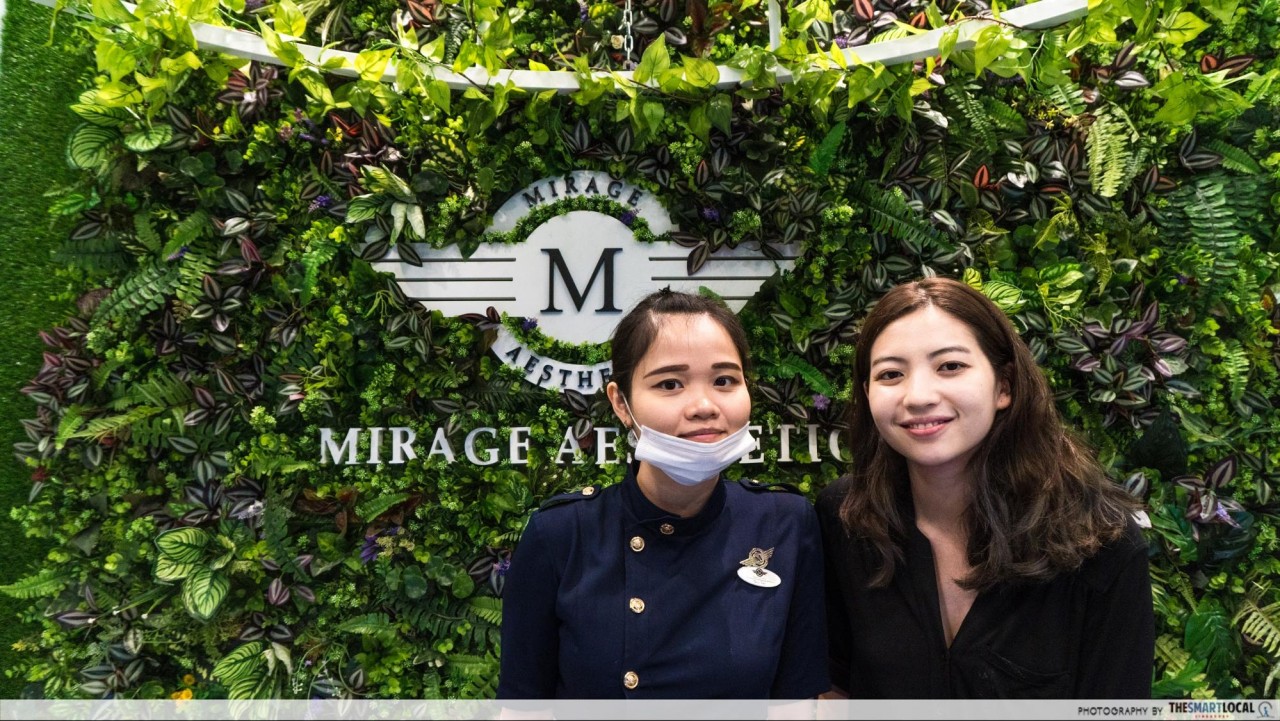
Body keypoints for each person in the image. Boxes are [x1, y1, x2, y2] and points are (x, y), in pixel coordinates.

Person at [817, 277, 1154, 699]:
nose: (918, 396)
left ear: (1004, 386)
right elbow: (834, 686)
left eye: (950, 366)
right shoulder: (845, 517)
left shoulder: (1101, 543)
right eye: (891, 374)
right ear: (868, 394)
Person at [497, 289, 829, 699]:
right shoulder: (562, 534)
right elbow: (524, 707)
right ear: (621, 403)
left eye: (724, 381)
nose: (704, 405)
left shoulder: (785, 523)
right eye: (670, 384)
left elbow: (794, 703)